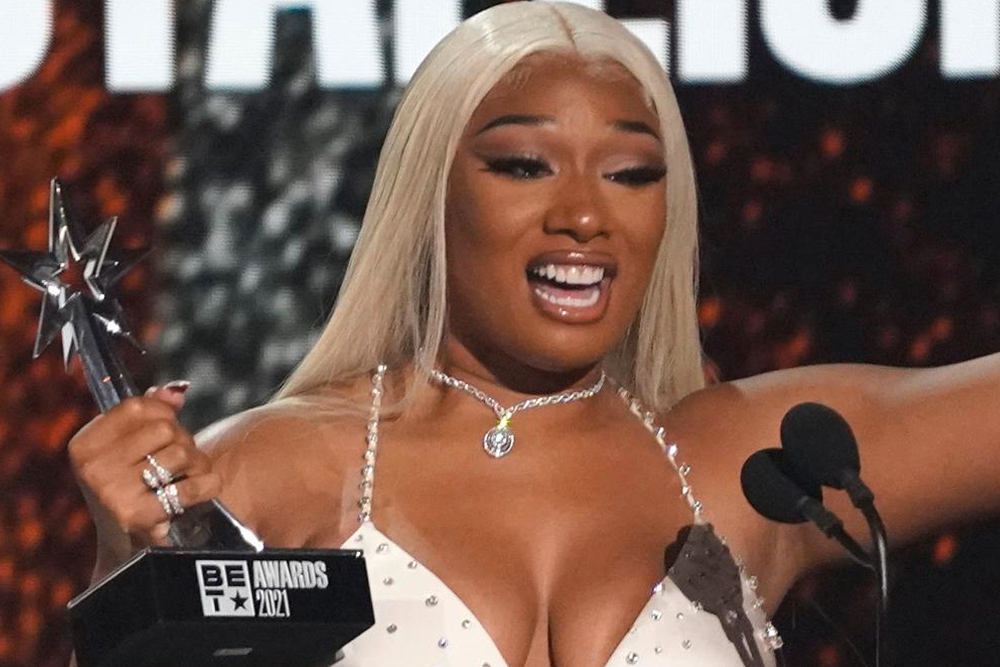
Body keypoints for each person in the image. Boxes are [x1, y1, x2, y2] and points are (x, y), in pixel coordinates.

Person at [67, 2, 1000, 666]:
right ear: (430, 194)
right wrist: (124, 563)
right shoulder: (277, 469)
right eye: (523, 165)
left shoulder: (760, 467)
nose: (585, 216)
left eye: (631, 174)